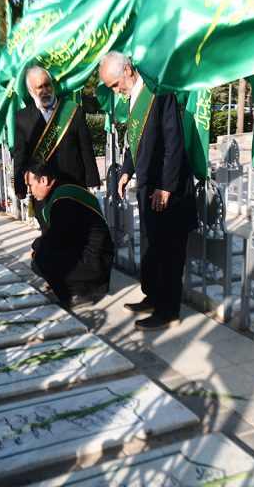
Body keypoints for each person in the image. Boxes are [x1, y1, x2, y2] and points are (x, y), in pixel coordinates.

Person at [99, 51, 198, 331]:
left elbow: (174, 143)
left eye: (116, 84)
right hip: (148, 190)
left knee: (168, 253)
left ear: (128, 71)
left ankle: (168, 312)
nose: (116, 92)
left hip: (169, 193)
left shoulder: (159, 92)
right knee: (152, 248)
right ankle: (153, 298)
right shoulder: (135, 97)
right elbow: (136, 141)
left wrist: (166, 186)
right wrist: (126, 172)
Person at [13, 65, 100, 227]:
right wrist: (20, 185)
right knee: (50, 234)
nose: (45, 90)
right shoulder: (22, 118)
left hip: (73, 184)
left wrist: (92, 180)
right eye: (40, 87)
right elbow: (20, 155)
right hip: (43, 189)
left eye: (48, 85)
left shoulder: (73, 111)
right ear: (31, 91)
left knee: (76, 232)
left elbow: (86, 149)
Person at [26, 160, 113, 308]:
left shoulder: (63, 200)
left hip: (95, 257)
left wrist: (36, 246)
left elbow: (55, 239)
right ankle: (74, 286)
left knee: (41, 257)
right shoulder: (62, 189)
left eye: (30, 185)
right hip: (92, 252)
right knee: (42, 255)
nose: (29, 191)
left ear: (44, 180)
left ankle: (79, 294)